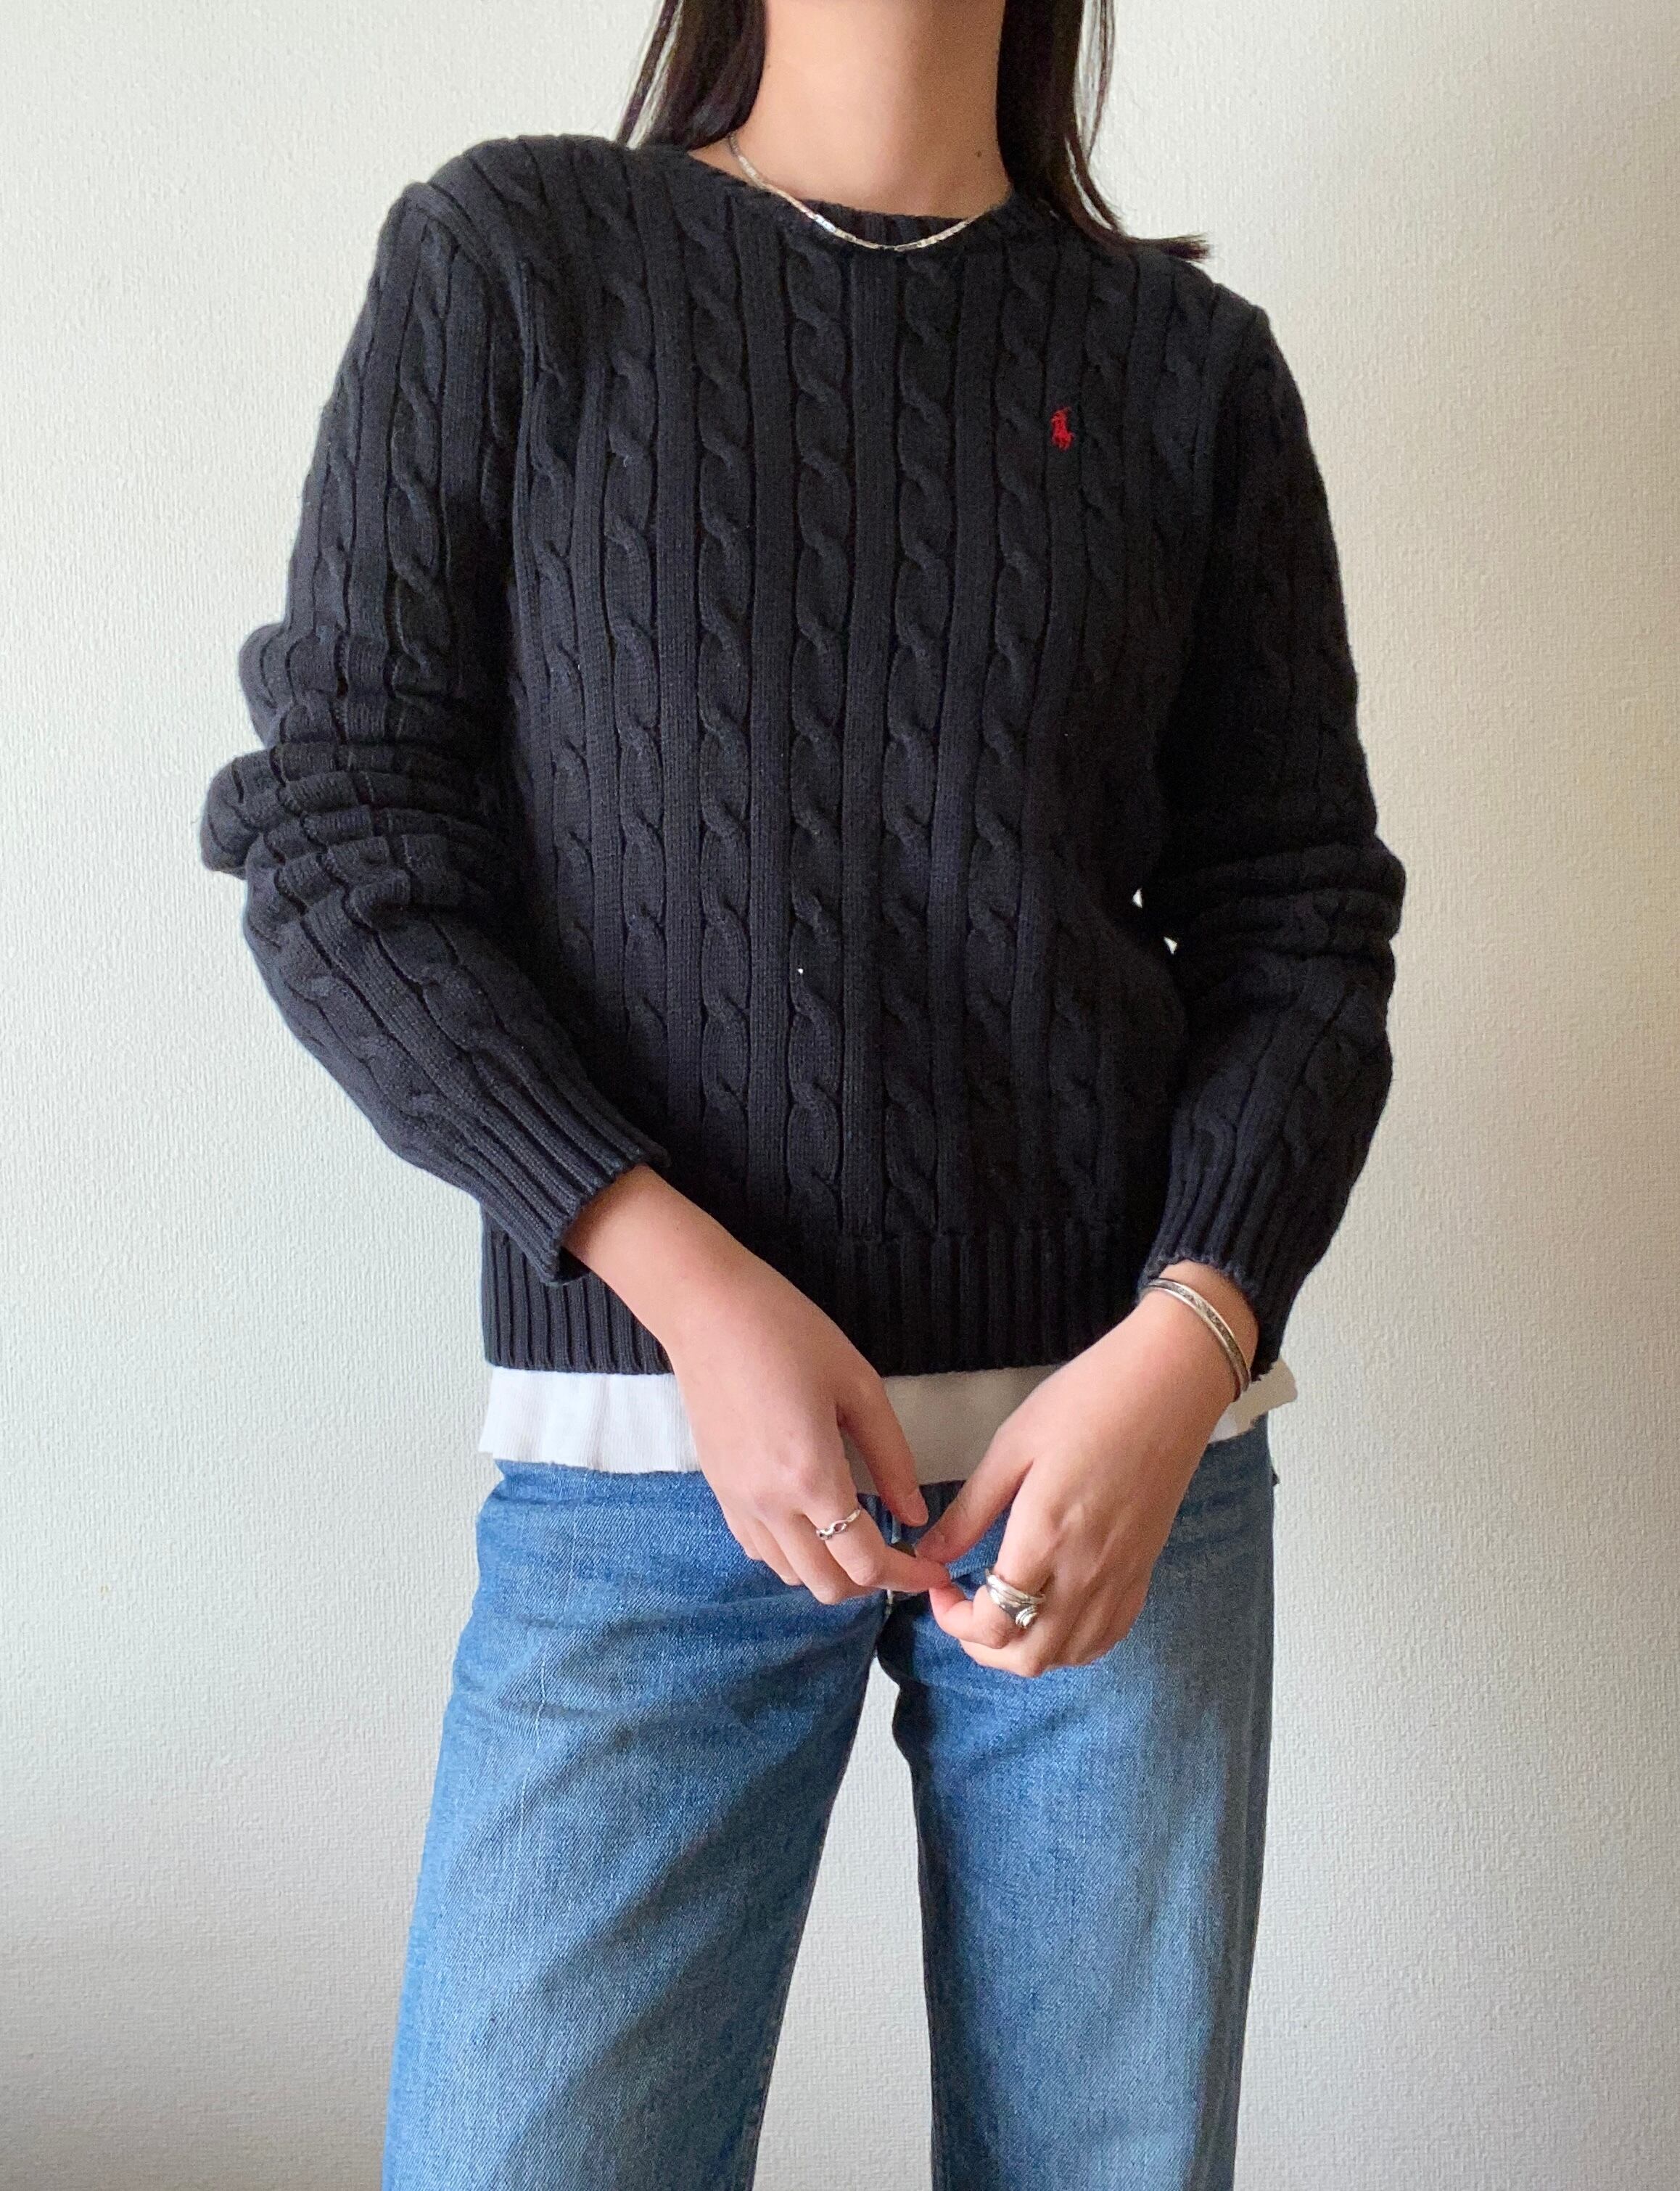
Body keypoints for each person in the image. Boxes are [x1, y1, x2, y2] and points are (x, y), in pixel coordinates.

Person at [198, 0, 1406, 2181]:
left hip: (1107, 1476)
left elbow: (1299, 925)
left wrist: (1191, 1342)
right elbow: (341, 841)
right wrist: (682, 1283)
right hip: (645, 1463)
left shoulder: (1187, 371)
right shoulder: (516, 266)